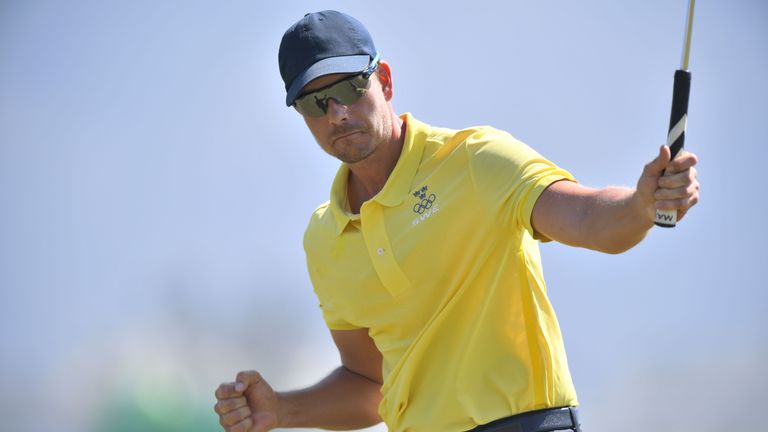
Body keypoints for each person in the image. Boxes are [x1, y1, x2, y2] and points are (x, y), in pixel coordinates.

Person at [214, 10, 699, 432]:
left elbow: (588, 216)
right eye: (315, 102)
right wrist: (281, 410)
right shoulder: (325, 237)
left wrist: (641, 203)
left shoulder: (476, 159)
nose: (337, 113)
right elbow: (370, 385)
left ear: (383, 80)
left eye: (348, 87)